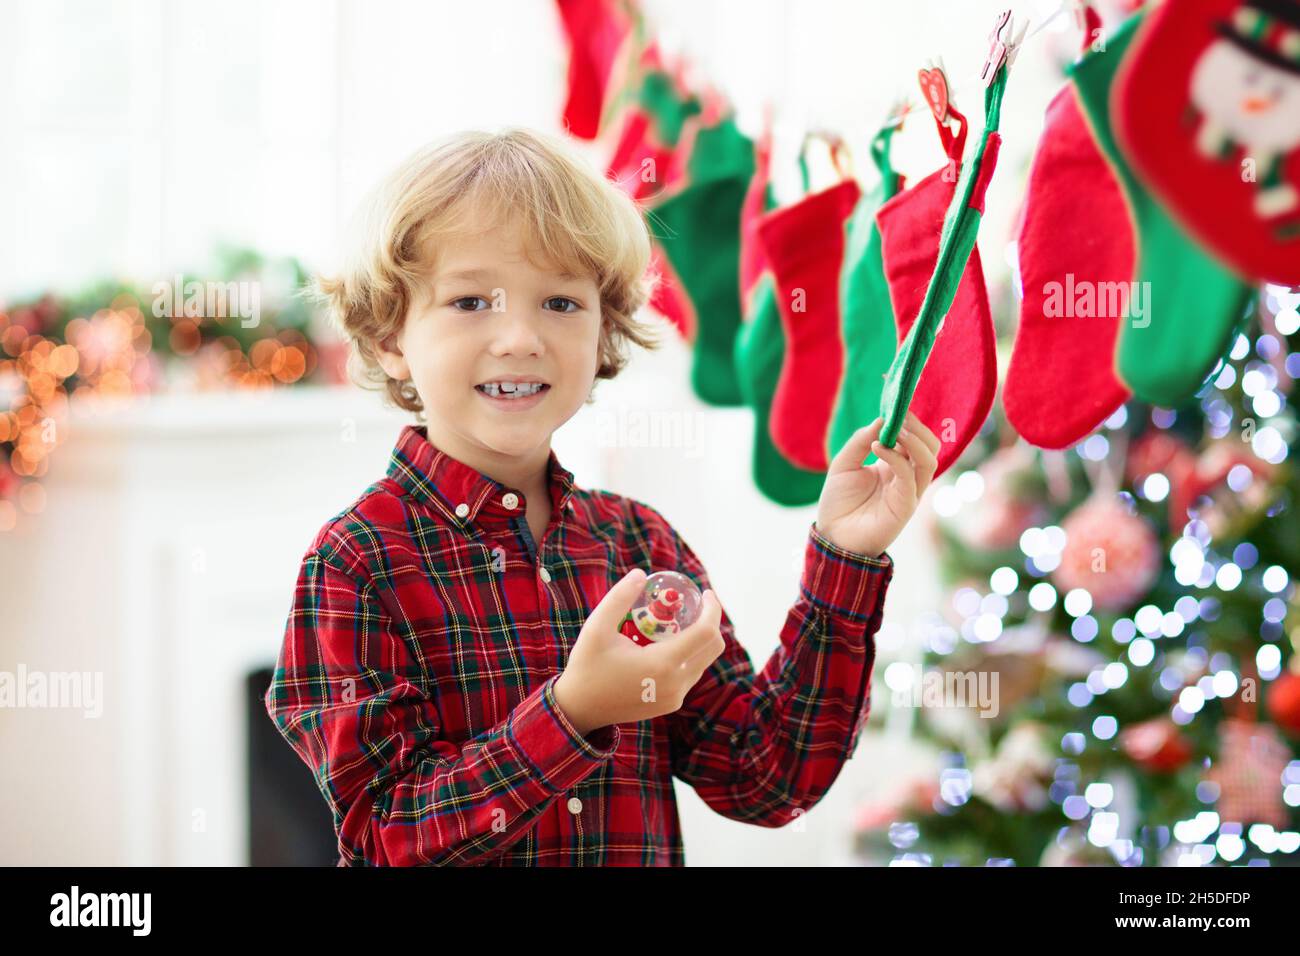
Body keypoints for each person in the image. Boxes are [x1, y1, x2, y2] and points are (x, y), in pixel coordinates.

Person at [264, 127, 940, 866]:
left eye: (560, 302)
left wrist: (845, 555)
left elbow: (767, 775)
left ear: (604, 331)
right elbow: (385, 840)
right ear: (392, 338)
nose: (520, 337)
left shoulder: (640, 546)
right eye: (469, 301)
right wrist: (570, 715)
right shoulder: (356, 562)